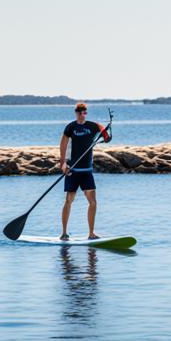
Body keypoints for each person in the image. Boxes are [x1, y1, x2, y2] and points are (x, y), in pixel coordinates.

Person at [59, 102, 111, 241]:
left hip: (87, 171)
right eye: (79, 111)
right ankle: (64, 233)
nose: (81, 114)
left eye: (84, 112)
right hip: (73, 170)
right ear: (76, 113)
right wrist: (63, 162)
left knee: (93, 202)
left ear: (86, 113)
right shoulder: (71, 127)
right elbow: (63, 143)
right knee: (69, 200)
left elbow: (104, 132)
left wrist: (106, 135)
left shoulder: (92, 126)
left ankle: (91, 233)